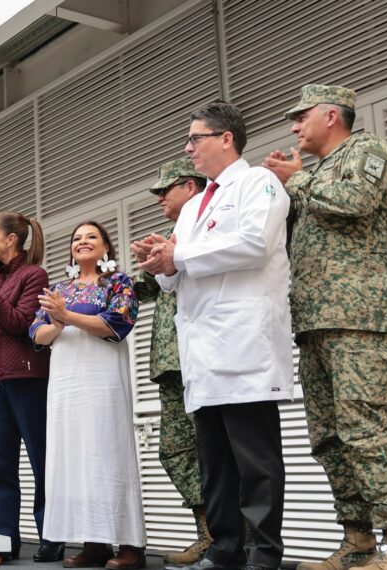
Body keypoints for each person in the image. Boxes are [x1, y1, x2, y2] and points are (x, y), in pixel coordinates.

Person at [263, 85, 387, 570]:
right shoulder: (310, 177)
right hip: (313, 321)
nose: (294, 126)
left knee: (364, 429)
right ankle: (357, 543)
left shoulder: (368, 150)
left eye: (301, 116)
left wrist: (296, 180)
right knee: (328, 438)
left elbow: (355, 201)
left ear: (331, 115)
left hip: (360, 317)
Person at [140, 101, 292, 570]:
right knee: (215, 461)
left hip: (243, 343)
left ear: (226, 138)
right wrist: (162, 262)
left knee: (256, 460)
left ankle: (263, 553)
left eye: (195, 139)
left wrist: (180, 257)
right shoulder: (193, 207)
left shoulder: (259, 183)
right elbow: (175, 278)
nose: (188, 149)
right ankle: (224, 548)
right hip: (201, 351)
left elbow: (254, 244)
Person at [30, 221, 145, 569]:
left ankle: (130, 545)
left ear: (106, 246)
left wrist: (66, 316)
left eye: (91, 237)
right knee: (77, 456)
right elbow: (37, 333)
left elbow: (117, 324)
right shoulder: (59, 289)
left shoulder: (118, 283)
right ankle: (94, 543)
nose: (83, 242)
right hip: (67, 381)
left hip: (103, 378)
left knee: (109, 453)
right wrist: (56, 324)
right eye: (77, 238)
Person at [0, 212, 63, 562]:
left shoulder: (34, 275)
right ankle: (6, 540)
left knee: (40, 461)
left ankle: (51, 536)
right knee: (1, 467)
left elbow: (20, 323)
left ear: (11, 240)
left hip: (27, 380)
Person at [131, 159, 211, 566]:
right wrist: (144, 261)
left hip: (205, 359)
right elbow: (143, 289)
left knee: (216, 451)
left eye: (167, 189)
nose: (160, 197)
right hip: (170, 362)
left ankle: (235, 537)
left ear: (191, 187)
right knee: (176, 450)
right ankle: (210, 533)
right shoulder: (168, 237)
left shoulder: (210, 229)